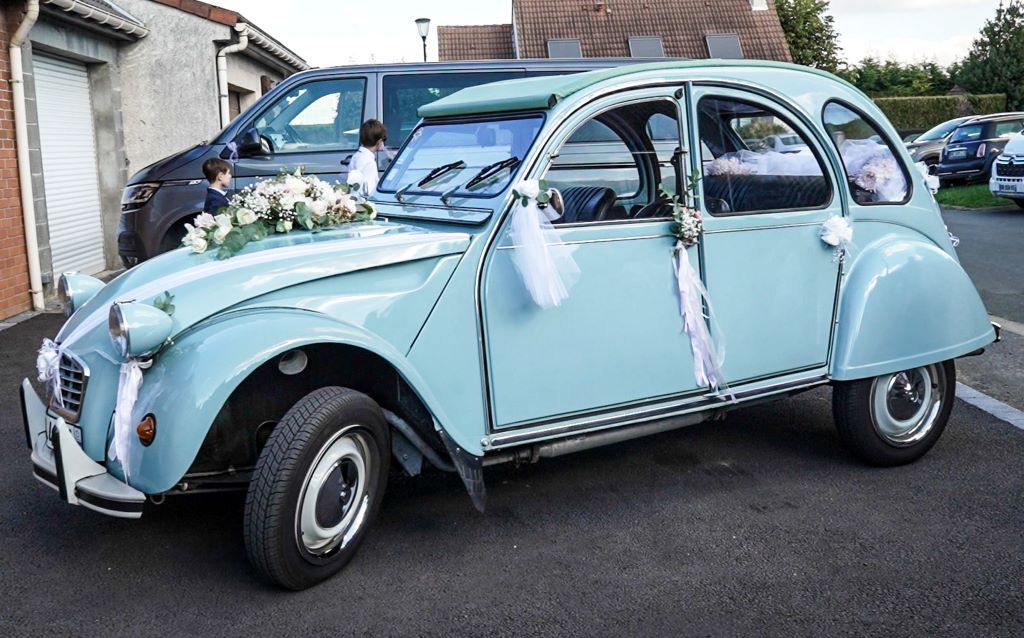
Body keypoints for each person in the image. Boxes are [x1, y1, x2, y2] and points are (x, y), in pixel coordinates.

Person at [349, 119, 387, 195]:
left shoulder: (356, 156)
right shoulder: (369, 163)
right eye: (384, 139)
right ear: (379, 142)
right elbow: (369, 192)